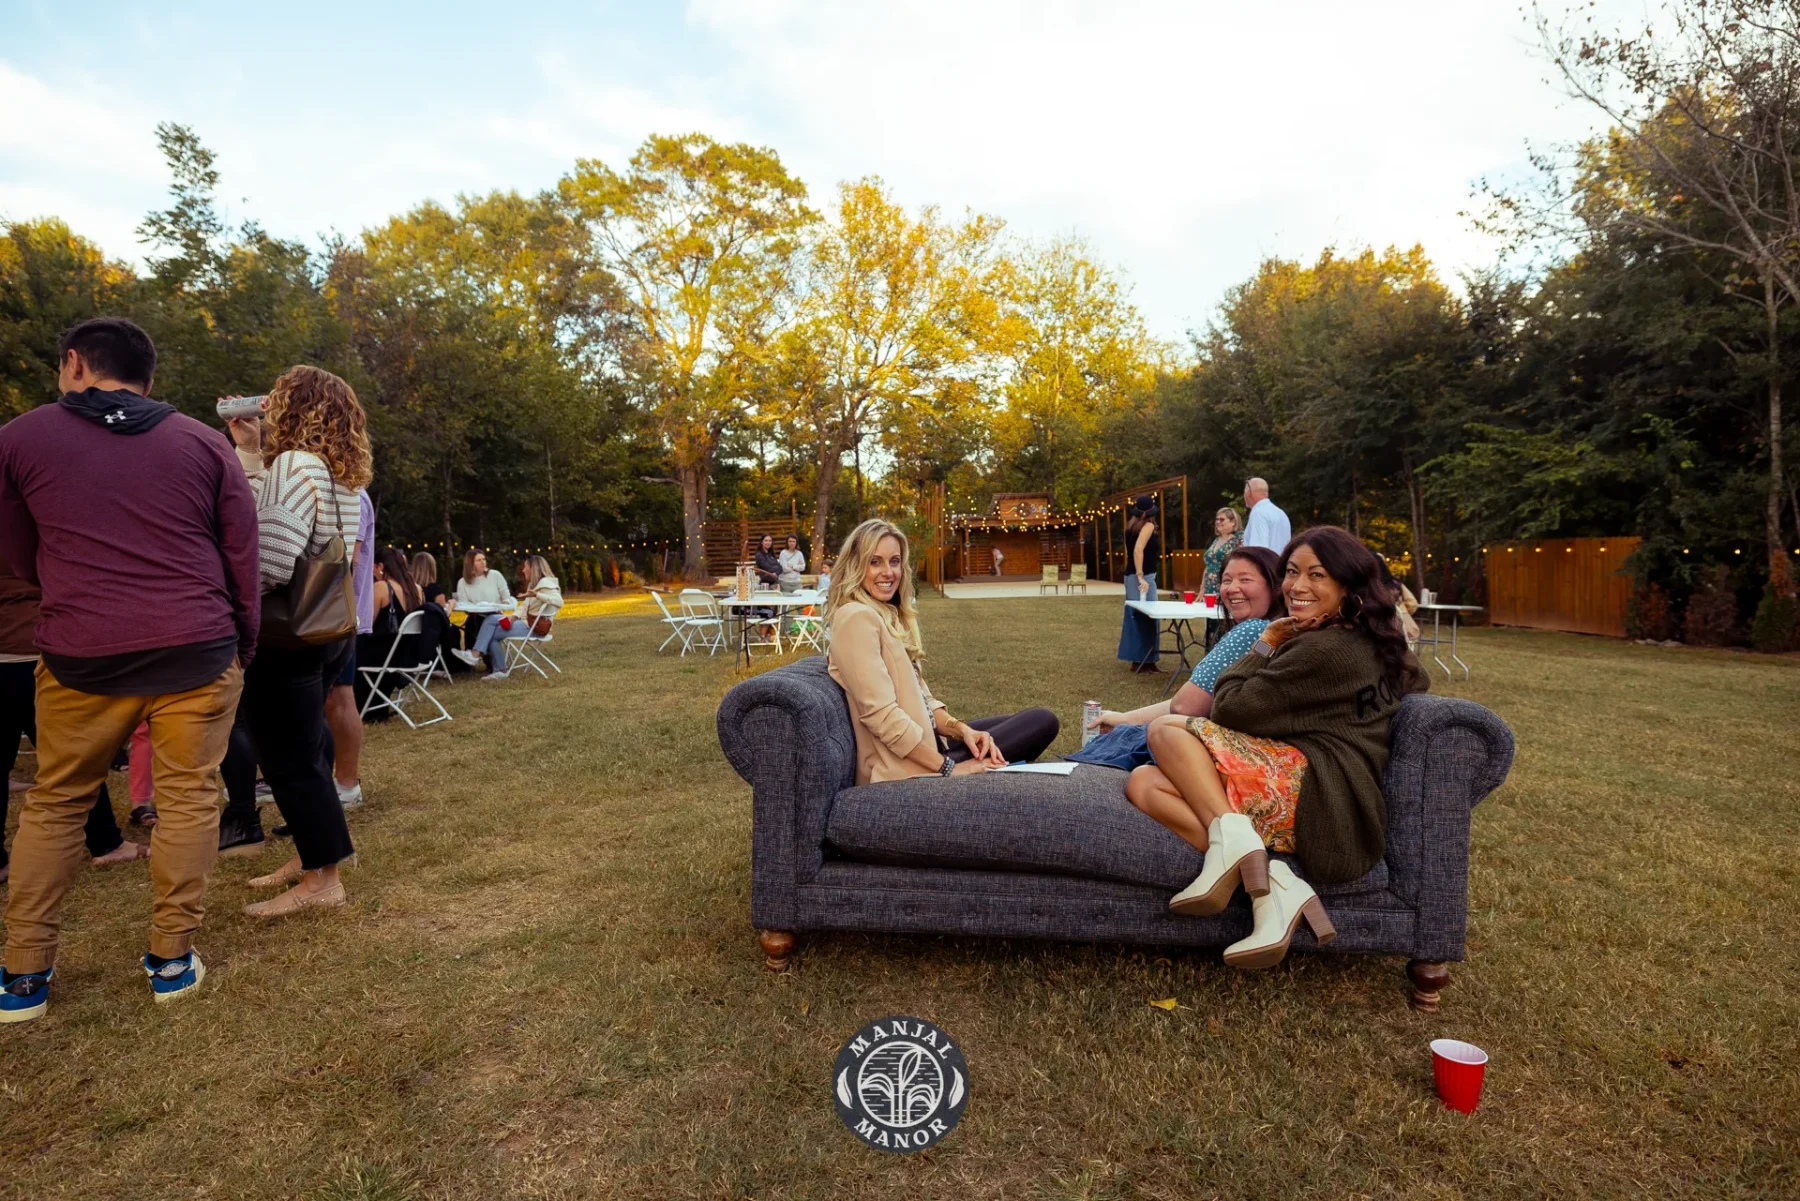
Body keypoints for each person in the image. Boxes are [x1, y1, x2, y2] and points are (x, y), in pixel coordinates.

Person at [0, 317, 258, 1020]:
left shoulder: (19, 439)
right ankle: (172, 959)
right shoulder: (204, 443)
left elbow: (17, 555)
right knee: (187, 799)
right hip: (196, 646)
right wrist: (243, 641)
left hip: (80, 650)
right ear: (150, 378)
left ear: (75, 363)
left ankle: (23, 976)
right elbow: (242, 558)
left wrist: (73, 590)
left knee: (55, 802)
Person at [1130, 526, 1428, 969]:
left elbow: (1229, 707)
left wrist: (1266, 642)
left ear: (1347, 586)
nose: (1298, 586)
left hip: (1323, 797)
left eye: (1317, 575)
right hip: (1330, 787)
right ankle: (1273, 882)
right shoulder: (1372, 642)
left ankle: (1243, 856)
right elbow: (1416, 682)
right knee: (1144, 782)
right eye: (1291, 572)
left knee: (1169, 730)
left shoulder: (1324, 650)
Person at [226, 363, 370, 921]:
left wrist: (234, 595)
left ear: (293, 407)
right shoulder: (339, 474)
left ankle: (323, 877)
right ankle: (318, 856)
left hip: (285, 634)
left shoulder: (295, 465)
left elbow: (272, 557)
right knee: (304, 751)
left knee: (288, 759)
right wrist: (252, 453)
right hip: (325, 626)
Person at [826, 518, 1058, 785]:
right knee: (1042, 721)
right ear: (856, 566)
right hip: (908, 769)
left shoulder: (886, 614)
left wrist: (962, 730)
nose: (888, 572)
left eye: (894, 561)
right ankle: (988, 781)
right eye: (874, 562)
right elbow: (881, 717)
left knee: (1013, 726)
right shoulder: (855, 618)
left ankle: (991, 772)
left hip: (931, 746)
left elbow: (924, 702)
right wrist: (949, 768)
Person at [0, 553, 146, 887]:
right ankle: (106, 842)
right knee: (77, 759)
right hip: (33, 649)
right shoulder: (28, 511)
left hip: (21, 647)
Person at [1090, 547, 1284, 731]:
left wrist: (1127, 722)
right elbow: (1200, 694)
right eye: (1226, 580)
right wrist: (1126, 719)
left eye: (1245, 580)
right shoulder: (1278, 629)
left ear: (1275, 586)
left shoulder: (1252, 630)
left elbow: (1185, 705)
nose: (1232, 588)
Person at [323, 489, 374, 810]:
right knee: (328, 698)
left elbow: (348, 560)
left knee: (339, 696)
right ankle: (329, 784)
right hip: (330, 613)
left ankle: (346, 784)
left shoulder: (350, 493)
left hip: (338, 615)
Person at [355, 546, 424, 713]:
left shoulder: (382, 587)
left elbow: (364, 624)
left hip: (383, 657)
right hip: (408, 655)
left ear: (380, 566)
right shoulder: (417, 589)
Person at [486, 554, 562, 680]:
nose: (523, 570)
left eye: (525, 567)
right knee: (492, 621)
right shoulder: (535, 584)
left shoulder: (545, 584)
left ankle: (500, 670)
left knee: (493, 634)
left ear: (533, 568)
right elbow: (524, 607)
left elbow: (559, 602)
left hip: (535, 628)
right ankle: (482, 655)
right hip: (530, 624)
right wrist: (513, 618)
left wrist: (537, 595)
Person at [1115, 496, 1162, 673]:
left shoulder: (1129, 527)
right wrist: (1141, 576)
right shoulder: (1148, 526)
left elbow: (1129, 550)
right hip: (1143, 577)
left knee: (1136, 617)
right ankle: (1147, 660)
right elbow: (1137, 550)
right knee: (1149, 616)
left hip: (1131, 576)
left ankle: (1139, 659)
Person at [450, 550, 514, 675]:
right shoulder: (463, 582)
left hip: (496, 615)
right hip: (476, 615)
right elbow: (463, 603)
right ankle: (475, 661)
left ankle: (477, 658)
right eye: (479, 560)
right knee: (473, 622)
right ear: (470, 563)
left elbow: (506, 596)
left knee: (479, 623)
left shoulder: (495, 575)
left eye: (484, 559)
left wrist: (504, 604)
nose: (483, 562)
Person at [1201, 507, 1244, 649]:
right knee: (1211, 623)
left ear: (1233, 522)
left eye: (1222, 519)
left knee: (1224, 621)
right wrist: (1202, 589)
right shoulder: (1216, 540)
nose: (1218, 522)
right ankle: (1209, 656)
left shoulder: (1238, 540)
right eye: (1217, 519)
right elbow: (1208, 566)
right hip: (1209, 588)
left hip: (1225, 585)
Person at [1241, 477, 1291, 553]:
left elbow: (1258, 551)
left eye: (1244, 492)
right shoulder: (1280, 513)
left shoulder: (1258, 514)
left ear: (1248, 493)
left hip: (1265, 564)